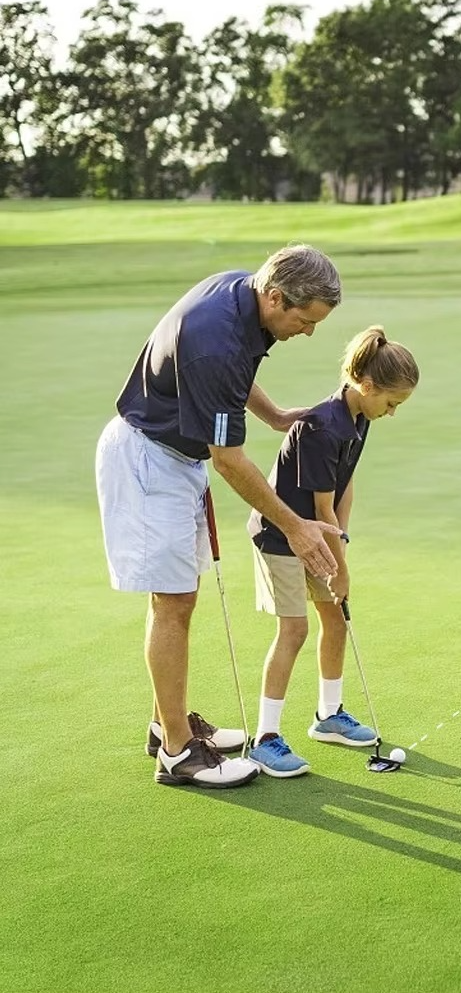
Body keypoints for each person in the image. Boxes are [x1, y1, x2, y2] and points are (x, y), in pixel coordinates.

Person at [95, 244, 344, 789]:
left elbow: (233, 376)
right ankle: (179, 753)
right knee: (174, 601)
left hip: (173, 459)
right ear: (276, 296)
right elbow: (230, 460)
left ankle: (170, 724)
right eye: (304, 321)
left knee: (177, 598)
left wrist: (273, 414)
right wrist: (296, 528)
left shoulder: (243, 294)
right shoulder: (216, 338)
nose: (307, 332)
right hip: (147, 461)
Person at [246, 325, 419, 778]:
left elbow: (344, 490)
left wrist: (342, 545)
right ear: (368, 385)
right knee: (295, 630)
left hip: (318, 531)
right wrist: (339, 570)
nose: (392, 413)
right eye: (391, 403)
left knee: (335, 619)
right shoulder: (324, 426)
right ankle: (265, 737)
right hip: (280, 535)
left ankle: (329, 717)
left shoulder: (360, 417)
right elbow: (320, 508)